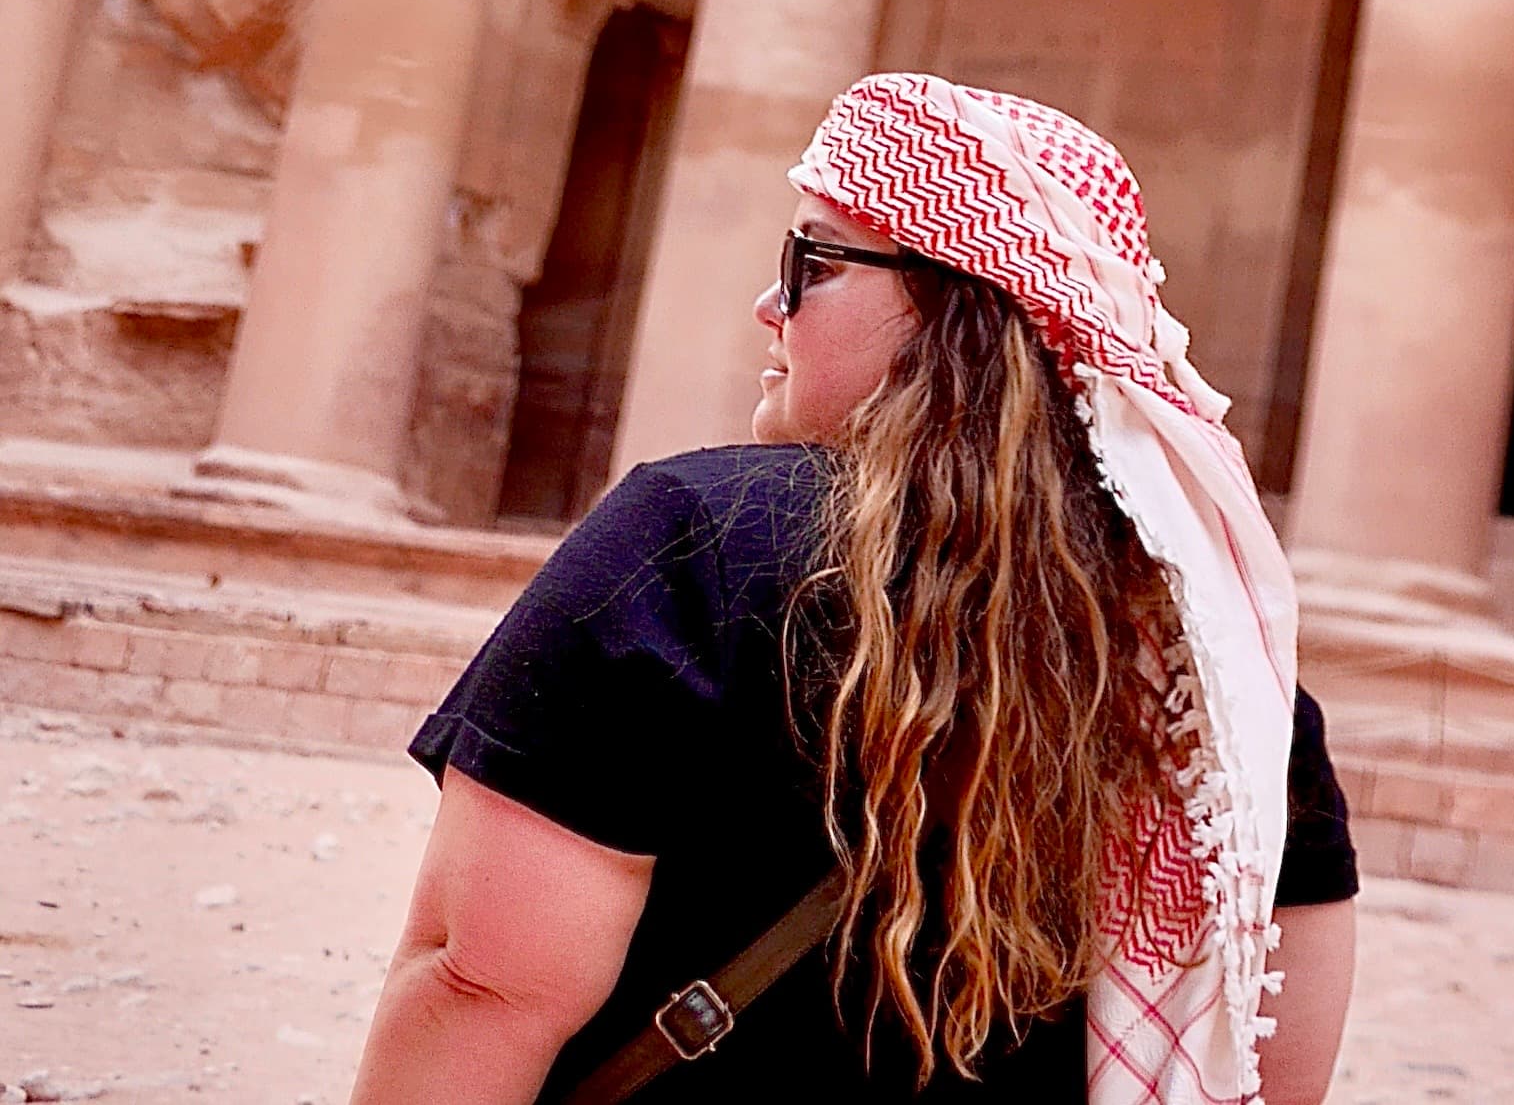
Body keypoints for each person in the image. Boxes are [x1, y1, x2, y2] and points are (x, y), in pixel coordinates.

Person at [346, 74, 1359, 1105]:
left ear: (957, 305)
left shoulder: (692, 545)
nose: (767, 304)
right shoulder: (1212, 681)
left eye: (812, 262)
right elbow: (1271, 1072)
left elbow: (480, 984)